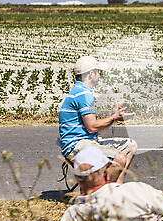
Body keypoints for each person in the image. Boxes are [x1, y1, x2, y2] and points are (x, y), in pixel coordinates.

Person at [59, 55, 137, 183]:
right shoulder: (84, 94)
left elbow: (93, 130)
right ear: (91, 74)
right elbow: (92, 127)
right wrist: (113, 117)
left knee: (130, 146)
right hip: (77, 145)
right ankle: (103, 193)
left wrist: (114, 118)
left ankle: (117, 189)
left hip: (83, 141)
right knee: (120, 159)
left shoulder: (79, 91)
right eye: (98, 72)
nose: (99, 75)